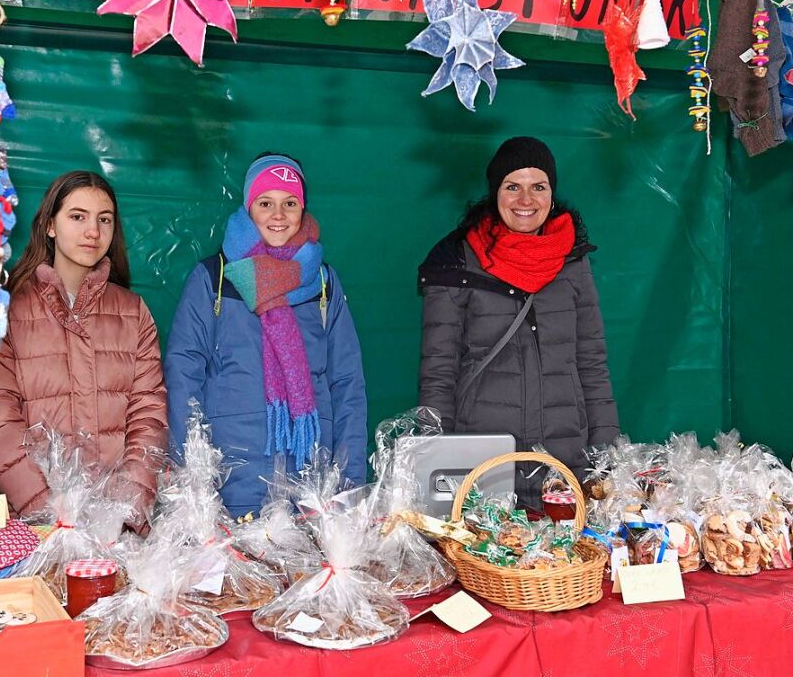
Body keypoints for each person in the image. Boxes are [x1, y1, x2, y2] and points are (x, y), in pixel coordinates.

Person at [417, 137, 618, 508]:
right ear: (496, 193)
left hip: (563, 463)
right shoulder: (456, 263)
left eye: (538, 187)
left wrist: (607, 460)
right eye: (513, 187)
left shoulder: (573, 262)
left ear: (551, 195)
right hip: (482, 465)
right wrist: (438, 457)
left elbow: (591, 363)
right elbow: (438, 371)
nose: (526, 200)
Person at [165, 154, 367, 517]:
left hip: (310, 483)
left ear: (302, 211)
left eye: (289, 203)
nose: (278, 215)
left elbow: (348, 383)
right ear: (248, 208)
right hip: (231, 478)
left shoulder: (323, 281)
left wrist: (348, 484)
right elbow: (183, 377)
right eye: (265, 203)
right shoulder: (212, 278)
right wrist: (192, 476)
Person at [0, 170, 167, 532]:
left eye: (104, 220)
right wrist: (48, 510)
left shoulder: (133, 312)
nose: (93, 231)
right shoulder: (6, 312)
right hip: (30, 527)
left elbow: (148, 416)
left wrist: (124, 510)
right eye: (78, 216)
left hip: (114, 531)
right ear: (50, 226)